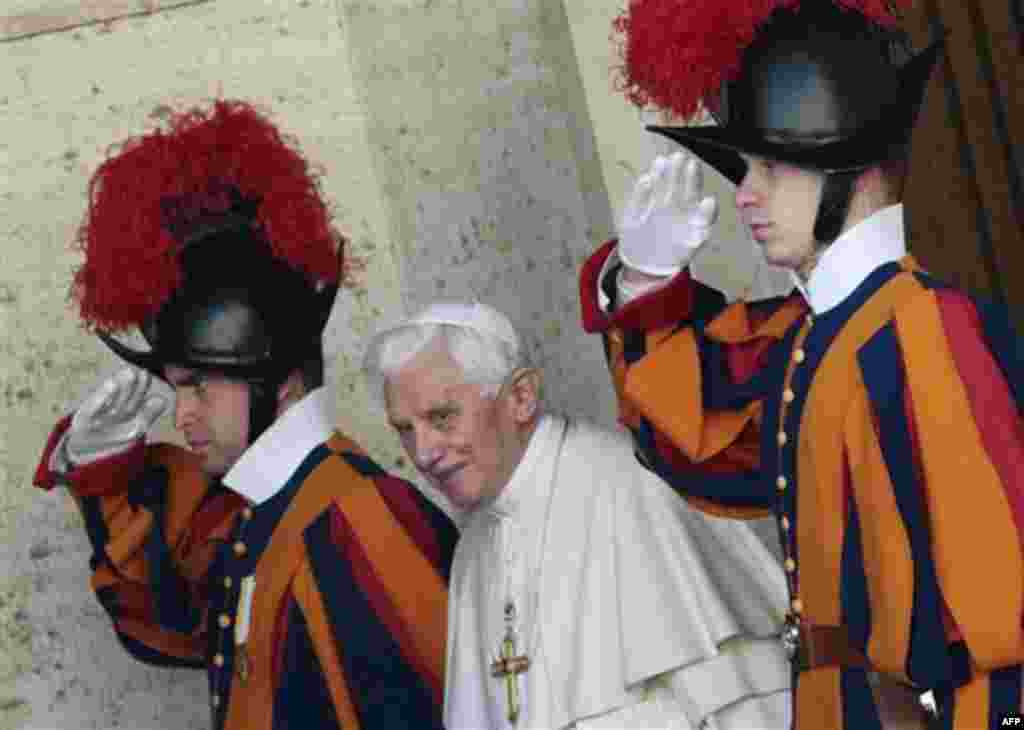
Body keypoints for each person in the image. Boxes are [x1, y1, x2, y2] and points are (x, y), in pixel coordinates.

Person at [580, 1, 1024, 728]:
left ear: (852, 169)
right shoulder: (813, 338)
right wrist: (645, 284)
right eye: (744, 168)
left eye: (772, 165)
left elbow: (997, 629)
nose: (745, 196)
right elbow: (696, 451)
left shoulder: (925, 329)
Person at [33, 99, 456, 730]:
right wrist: (102, 468)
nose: (183, 417)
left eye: (199, 385)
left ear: (277, 380)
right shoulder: (273, 513)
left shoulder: (358, 515)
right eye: (177, 389)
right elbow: (167, 624)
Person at [362, 299, 793, 729]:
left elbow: (745, 711)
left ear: (521, 396)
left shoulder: (634, 488)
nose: (423, 452)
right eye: (405, 429)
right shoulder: (474, 549)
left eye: (442, 417)